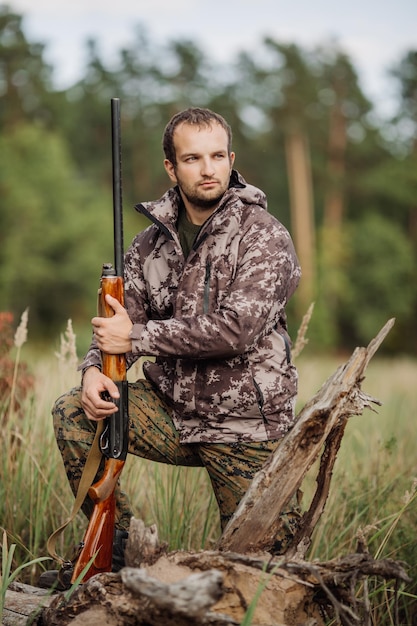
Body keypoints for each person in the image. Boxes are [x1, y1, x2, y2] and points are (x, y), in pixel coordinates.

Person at [43, 107, 301, 587]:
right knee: (74, 414)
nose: (208, 169)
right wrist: (93, 369)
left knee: (267, 575)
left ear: (231, 159)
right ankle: (118, 556)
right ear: (171, 167)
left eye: (218, 156)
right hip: (170, 412)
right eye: (193, 158)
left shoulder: (264, 235)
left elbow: (235, 331)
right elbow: (121, 323)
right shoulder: (146, 246)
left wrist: (136, 338)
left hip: (245, 425)